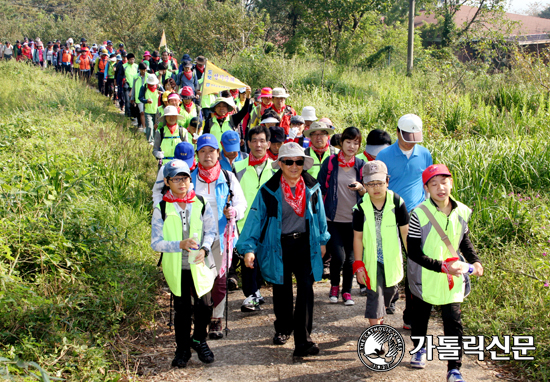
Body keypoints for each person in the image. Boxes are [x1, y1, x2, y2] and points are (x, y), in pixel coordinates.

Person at [237, 142, 330, 357]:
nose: (294, 166)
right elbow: (255, 219)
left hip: (306, 244)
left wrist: (323, 240)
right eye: (289, 162)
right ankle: (282, 328)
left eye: (298, 162)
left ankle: (304, 341)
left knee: (307, 288)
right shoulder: (269, 190)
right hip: (277, 245)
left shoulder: (312, 187)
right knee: (282, 290)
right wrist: (249, 248)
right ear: (280, 164)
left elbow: (320, 215)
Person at [407, 164, 483, 382]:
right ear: (426, 188)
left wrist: (475, 261)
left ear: (451, 183)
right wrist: (440, 266)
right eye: (434, 183)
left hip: (453, 278)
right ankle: (420, 348)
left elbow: (464, 241)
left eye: (444, 181)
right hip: (425, 276)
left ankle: (454, 369)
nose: (440, 187)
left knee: (453, 323)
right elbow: (412, 252)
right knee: (420, 319)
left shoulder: (462, 211)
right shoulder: (418, 214)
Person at [150, 159, 217, 368]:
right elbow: (156, 243)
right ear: (167, 182)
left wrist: (205, 248)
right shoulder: (161, 208)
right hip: (176, 268)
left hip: (199, 265)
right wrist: (179, 244)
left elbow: (211, 231)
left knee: (205, 306)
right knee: (182, 310)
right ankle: (182, 349)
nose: (182, 183)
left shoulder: (201, 202)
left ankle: (198, 339)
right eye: (176, 179)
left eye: (185, 177)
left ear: (190, 179)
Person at [376, 114, 433, 329]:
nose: (411, 141)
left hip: (417, 216)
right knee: (388, 260)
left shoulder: (424, 154)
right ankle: (385, 301)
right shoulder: (384, 155)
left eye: (414, 138)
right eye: (407, 137)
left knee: (415, 264)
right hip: (390, 215)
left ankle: (410, 315)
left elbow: (427, 185)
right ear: (397, 132)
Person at [191, 134, 247, 339]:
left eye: (211, 151)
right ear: (197, 154)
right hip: (196, 237)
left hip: (221, 237)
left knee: (219, 281)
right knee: (196, 278)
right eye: (203, 151)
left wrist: (234, 212)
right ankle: (200, 316)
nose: (207, 155)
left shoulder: (228, 176)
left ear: (218, 153)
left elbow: (242, 204)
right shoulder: (190, 178)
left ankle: (216, 319)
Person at [352, 161, 409, 326]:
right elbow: (357, 237)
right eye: (370, 184)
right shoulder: (360, 208)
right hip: (372, 261)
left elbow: (405, 233)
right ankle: (376, 331)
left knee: (389, 292)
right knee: (374, 296)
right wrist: (359, 264)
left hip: (392, 260)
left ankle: (380, 313)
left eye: (379, 183)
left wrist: (413, 257)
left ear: (387, 182)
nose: (376, 188)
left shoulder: (397, 203)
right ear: (364, 185)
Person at [318, 127, 367, 306]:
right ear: (341, 143)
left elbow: (368, 193)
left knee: (351, 259)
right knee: (338, 256)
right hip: (333, 219)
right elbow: (320, 187)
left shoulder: (361, 166)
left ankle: (347, 291)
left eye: (356, 143)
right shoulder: (330, 163)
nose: (352, 146)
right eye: (348, 142)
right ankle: (334, 286)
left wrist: (361, 188)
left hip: (353, 221)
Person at [234, 125, 276, 312]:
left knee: (264, 259)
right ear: (248, 143)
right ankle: (251, 295)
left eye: (262, 141)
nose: (258, 145)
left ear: (268, 144)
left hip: (269, 223)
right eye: (254, 141)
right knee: (248, 260)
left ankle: (257, 291)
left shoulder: (277, 168)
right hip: (244, 223)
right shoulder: (238, 168)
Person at [139, 74, 160, 144]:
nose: (152, 86)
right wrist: (146, 101)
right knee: (150, 126)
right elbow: (140, 97)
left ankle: (155, 140)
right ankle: (150, 141)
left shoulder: (159, 87)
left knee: (156, 127)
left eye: (153, 84)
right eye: (150, 84)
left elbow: (165, 94)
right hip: (148, 111)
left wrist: (161, 93)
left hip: (157, 111)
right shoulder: (144, 87)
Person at [131, 62, 148, 129]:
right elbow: (134, 87)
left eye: (144, 69)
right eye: (142, 69)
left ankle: (147, 126)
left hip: (147, 97)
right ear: (139, 69)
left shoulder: (149, 76)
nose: (143, 71)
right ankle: (143, 127)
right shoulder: (136, 77)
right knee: (142, 112)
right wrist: (132, 97)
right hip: (139, 97)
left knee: (147, 112)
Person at [122, 53, 138, 118]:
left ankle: (133, 115)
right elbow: (121, 75)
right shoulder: (124, 66)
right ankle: (127, 115)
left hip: (134, 86)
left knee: (133, 101)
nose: (132, 61)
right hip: (127, 86)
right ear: (128, 60)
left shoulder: (136, 66)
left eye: (133, 59)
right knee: (127, 100)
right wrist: (123, 79)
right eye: (131, 59)